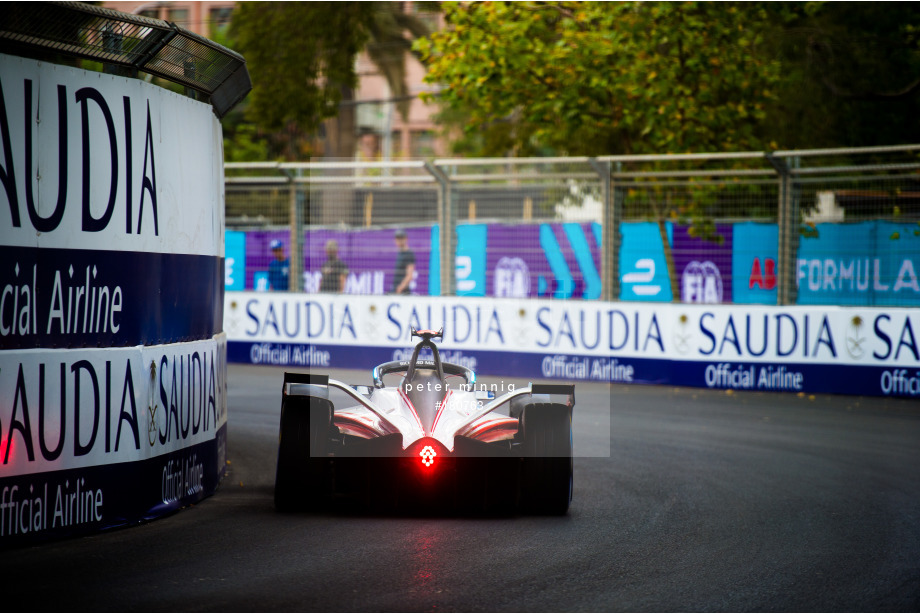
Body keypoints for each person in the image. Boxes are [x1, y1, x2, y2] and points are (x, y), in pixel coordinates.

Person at [392, 229, 416, 295]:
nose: (399, 241)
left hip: (402, 292)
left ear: (406, 239)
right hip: (396, 289)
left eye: (401, 238)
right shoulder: (400, 253)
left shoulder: (408, 254)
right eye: (397, 238)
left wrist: (400, 288)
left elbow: (409, 275)